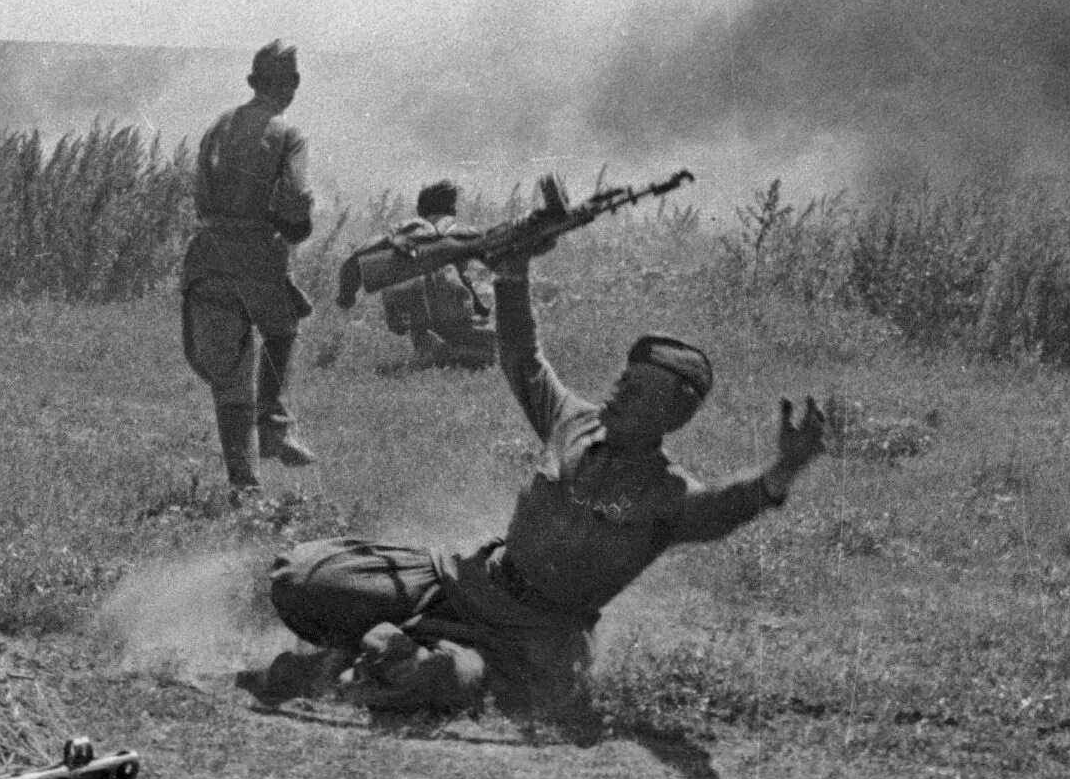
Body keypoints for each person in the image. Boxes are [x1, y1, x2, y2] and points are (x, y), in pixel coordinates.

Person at [254, 231, 829, 717]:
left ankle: (374, 660)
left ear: (672, 414)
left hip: (527, 641)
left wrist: (782, 471)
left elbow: (725, 510)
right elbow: (523, 359)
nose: (619, 391)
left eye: (639, 390)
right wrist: (512, 273)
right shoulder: (573, 423)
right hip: (464, 580)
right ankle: (377, 649)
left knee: (437, 678)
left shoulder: (668, 494)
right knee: (300, 578)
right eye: (623, 379)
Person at [185, 40, 316, 493]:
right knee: (282, 329)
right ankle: (275, 423)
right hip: (257, 256)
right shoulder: (287, 132)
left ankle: (246, 491)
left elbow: (200, 190)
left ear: (250, 82)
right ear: (294, 84)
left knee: (230, 379)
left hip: (206, 255)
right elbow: (297, 201)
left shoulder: (217, 126)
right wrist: (291, 225)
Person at [383, 181, 496, 369]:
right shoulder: (467, 233)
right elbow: (477, 285)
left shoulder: (406, 238)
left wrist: (396, 319)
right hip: (462, 321)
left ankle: (433, 350)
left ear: (420, 210)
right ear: (453, 210)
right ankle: (454, 353)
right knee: (490, 349)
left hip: (421, 323)